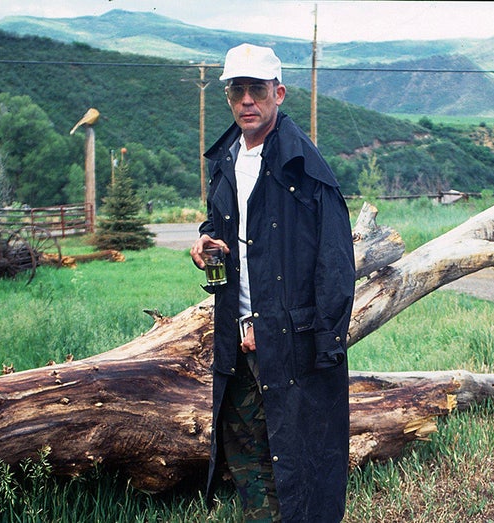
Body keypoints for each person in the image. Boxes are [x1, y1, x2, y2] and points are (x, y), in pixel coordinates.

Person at [190, 43, 356, 522]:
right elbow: (222, 223)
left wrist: (320, 340)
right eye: (237, 90)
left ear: (278, 93)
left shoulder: (303, 167)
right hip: (234, 333)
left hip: (289, 341)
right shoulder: (225, 159)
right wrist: (205, 239)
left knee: (297, 457)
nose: (246, 101)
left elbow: (335, 264)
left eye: (256, 90)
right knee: (247, 455)